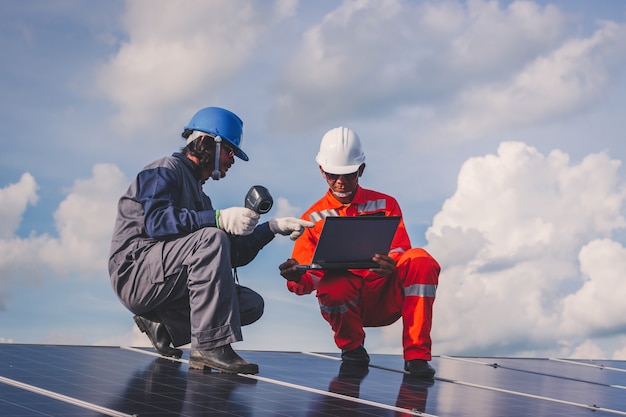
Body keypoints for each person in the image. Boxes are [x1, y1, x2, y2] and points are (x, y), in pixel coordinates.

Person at [108, 106, 313, 375]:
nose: (232, 160)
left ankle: (164, 325)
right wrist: (217, 219)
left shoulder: (200, 197)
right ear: (206, 143)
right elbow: (157, 222)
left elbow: (233, 254)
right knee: (212, 238)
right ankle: (209, 348)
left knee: (250, 305)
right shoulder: (163, 170)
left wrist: (272, 228)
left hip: (164, 276)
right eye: (229, 151)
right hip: (136, 273)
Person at [279, 127, 440, 378]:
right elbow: (309, 277)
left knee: (420, 260)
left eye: (348, 174)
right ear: (322, 171)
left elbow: (401, 249)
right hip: (346, 305)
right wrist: (295, 275)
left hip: (386, 297)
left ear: (361, 170)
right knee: (335, 285)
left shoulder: (386, 204)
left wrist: (393, 263)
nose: (340, 182)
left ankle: (417, 357)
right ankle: (352, 349)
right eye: (333, 175)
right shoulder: (312, 219)